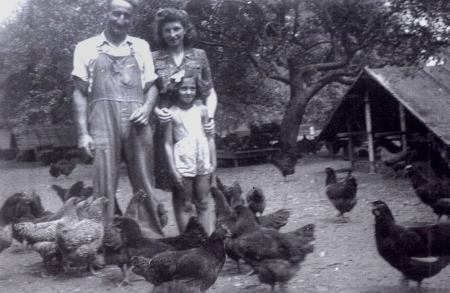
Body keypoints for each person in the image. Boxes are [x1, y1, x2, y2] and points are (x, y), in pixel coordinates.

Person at [72, 0, 165, 237]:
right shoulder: (86, 47)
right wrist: (83, 133)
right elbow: (80, 92)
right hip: (102, 122)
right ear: (107, 14)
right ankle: (103, 241)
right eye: (116, 14)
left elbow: (152, 86)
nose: (121, 20)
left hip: (138, 120)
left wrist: (146, 108)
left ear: (131, 19)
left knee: (144, 179)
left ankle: (150, 237)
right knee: (103, 182)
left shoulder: (141, 46)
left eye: (127, 15)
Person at [152, 8, 218, 191]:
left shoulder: (199, 56)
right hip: (169, 126)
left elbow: (210, 92)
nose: (172, 34)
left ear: (185, 30)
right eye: (167, 30)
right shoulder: (154, 59)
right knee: (179, 187)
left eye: (176, 29)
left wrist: (210, 118)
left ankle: (203, 220)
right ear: (161, 33)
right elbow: (148, 95)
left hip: (197, 123)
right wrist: (157, 112)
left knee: (202, 182)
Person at [164, 70, 216, 234]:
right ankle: (188, 242)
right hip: (183, 161)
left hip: (202, 158)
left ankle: (206, 240)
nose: (188, 92)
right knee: (185, 204)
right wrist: (173, 171)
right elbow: (167, 143)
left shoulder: (202, 110)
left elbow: (209, 138)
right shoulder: (171, 113)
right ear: (176, 90)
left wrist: (213, 163)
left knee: (203, 202)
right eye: (183, 88)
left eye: (192, 88)